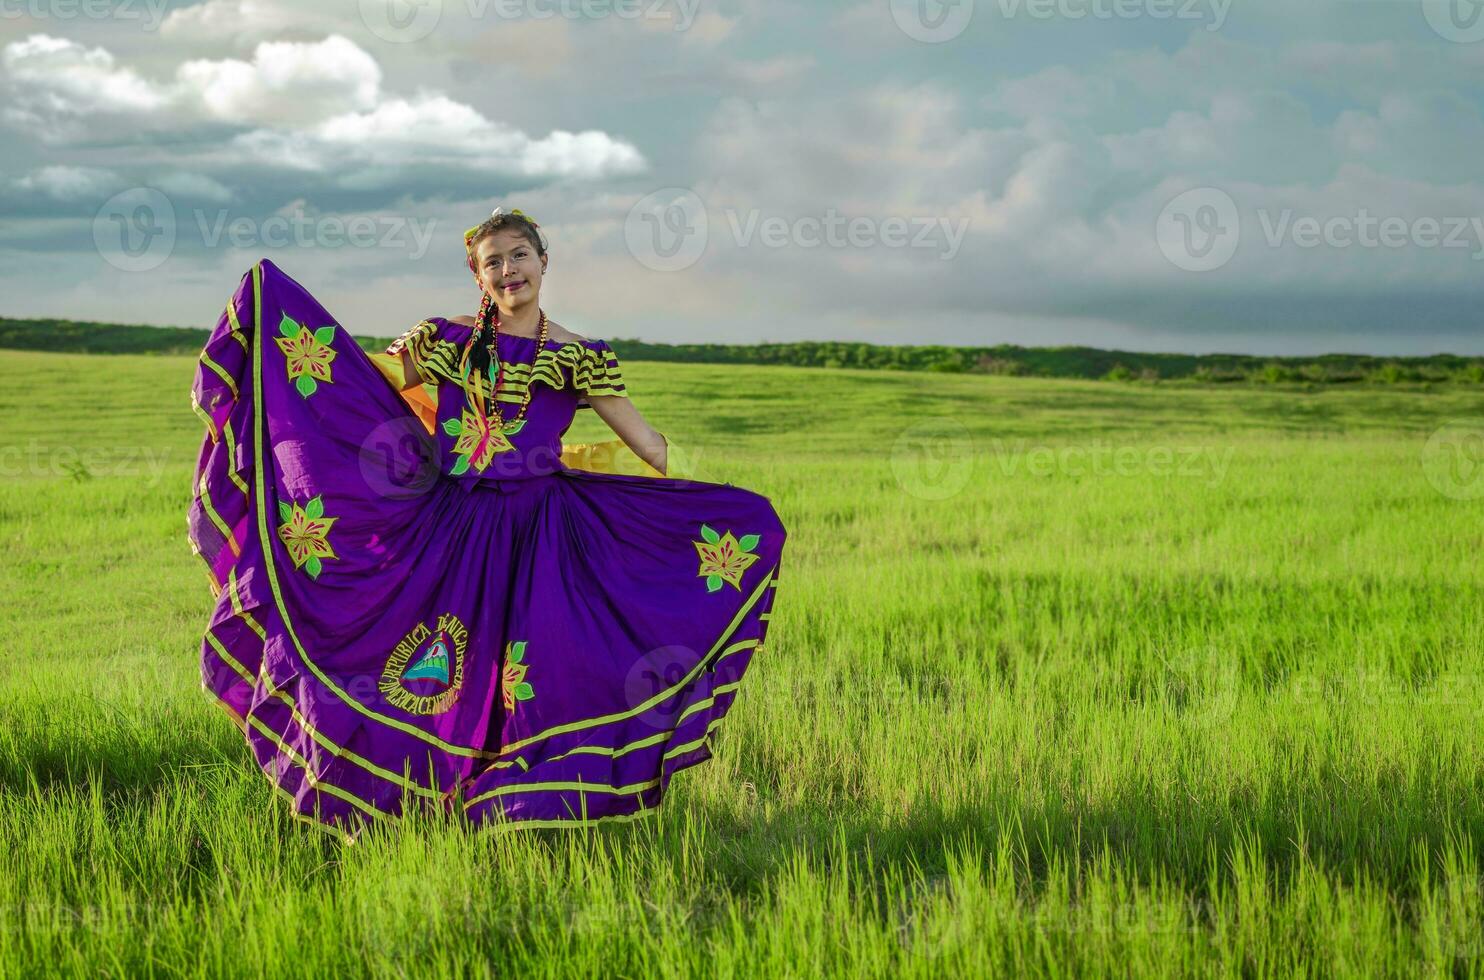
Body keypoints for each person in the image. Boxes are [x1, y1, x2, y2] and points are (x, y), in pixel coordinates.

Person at [187, 207, 787, 842]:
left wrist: (714, 492)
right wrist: (285, 339)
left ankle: (522, 805)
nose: (509, 270)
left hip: (543, 536)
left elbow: (643, 440)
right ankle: (419, 798)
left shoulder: (578, 356)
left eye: (519, 256)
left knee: (539, 669)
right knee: (429, 663)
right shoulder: (442, 340)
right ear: (478, 275)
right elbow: (369, 387)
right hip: (450, 528)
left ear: (544, 261)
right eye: (493, 261)